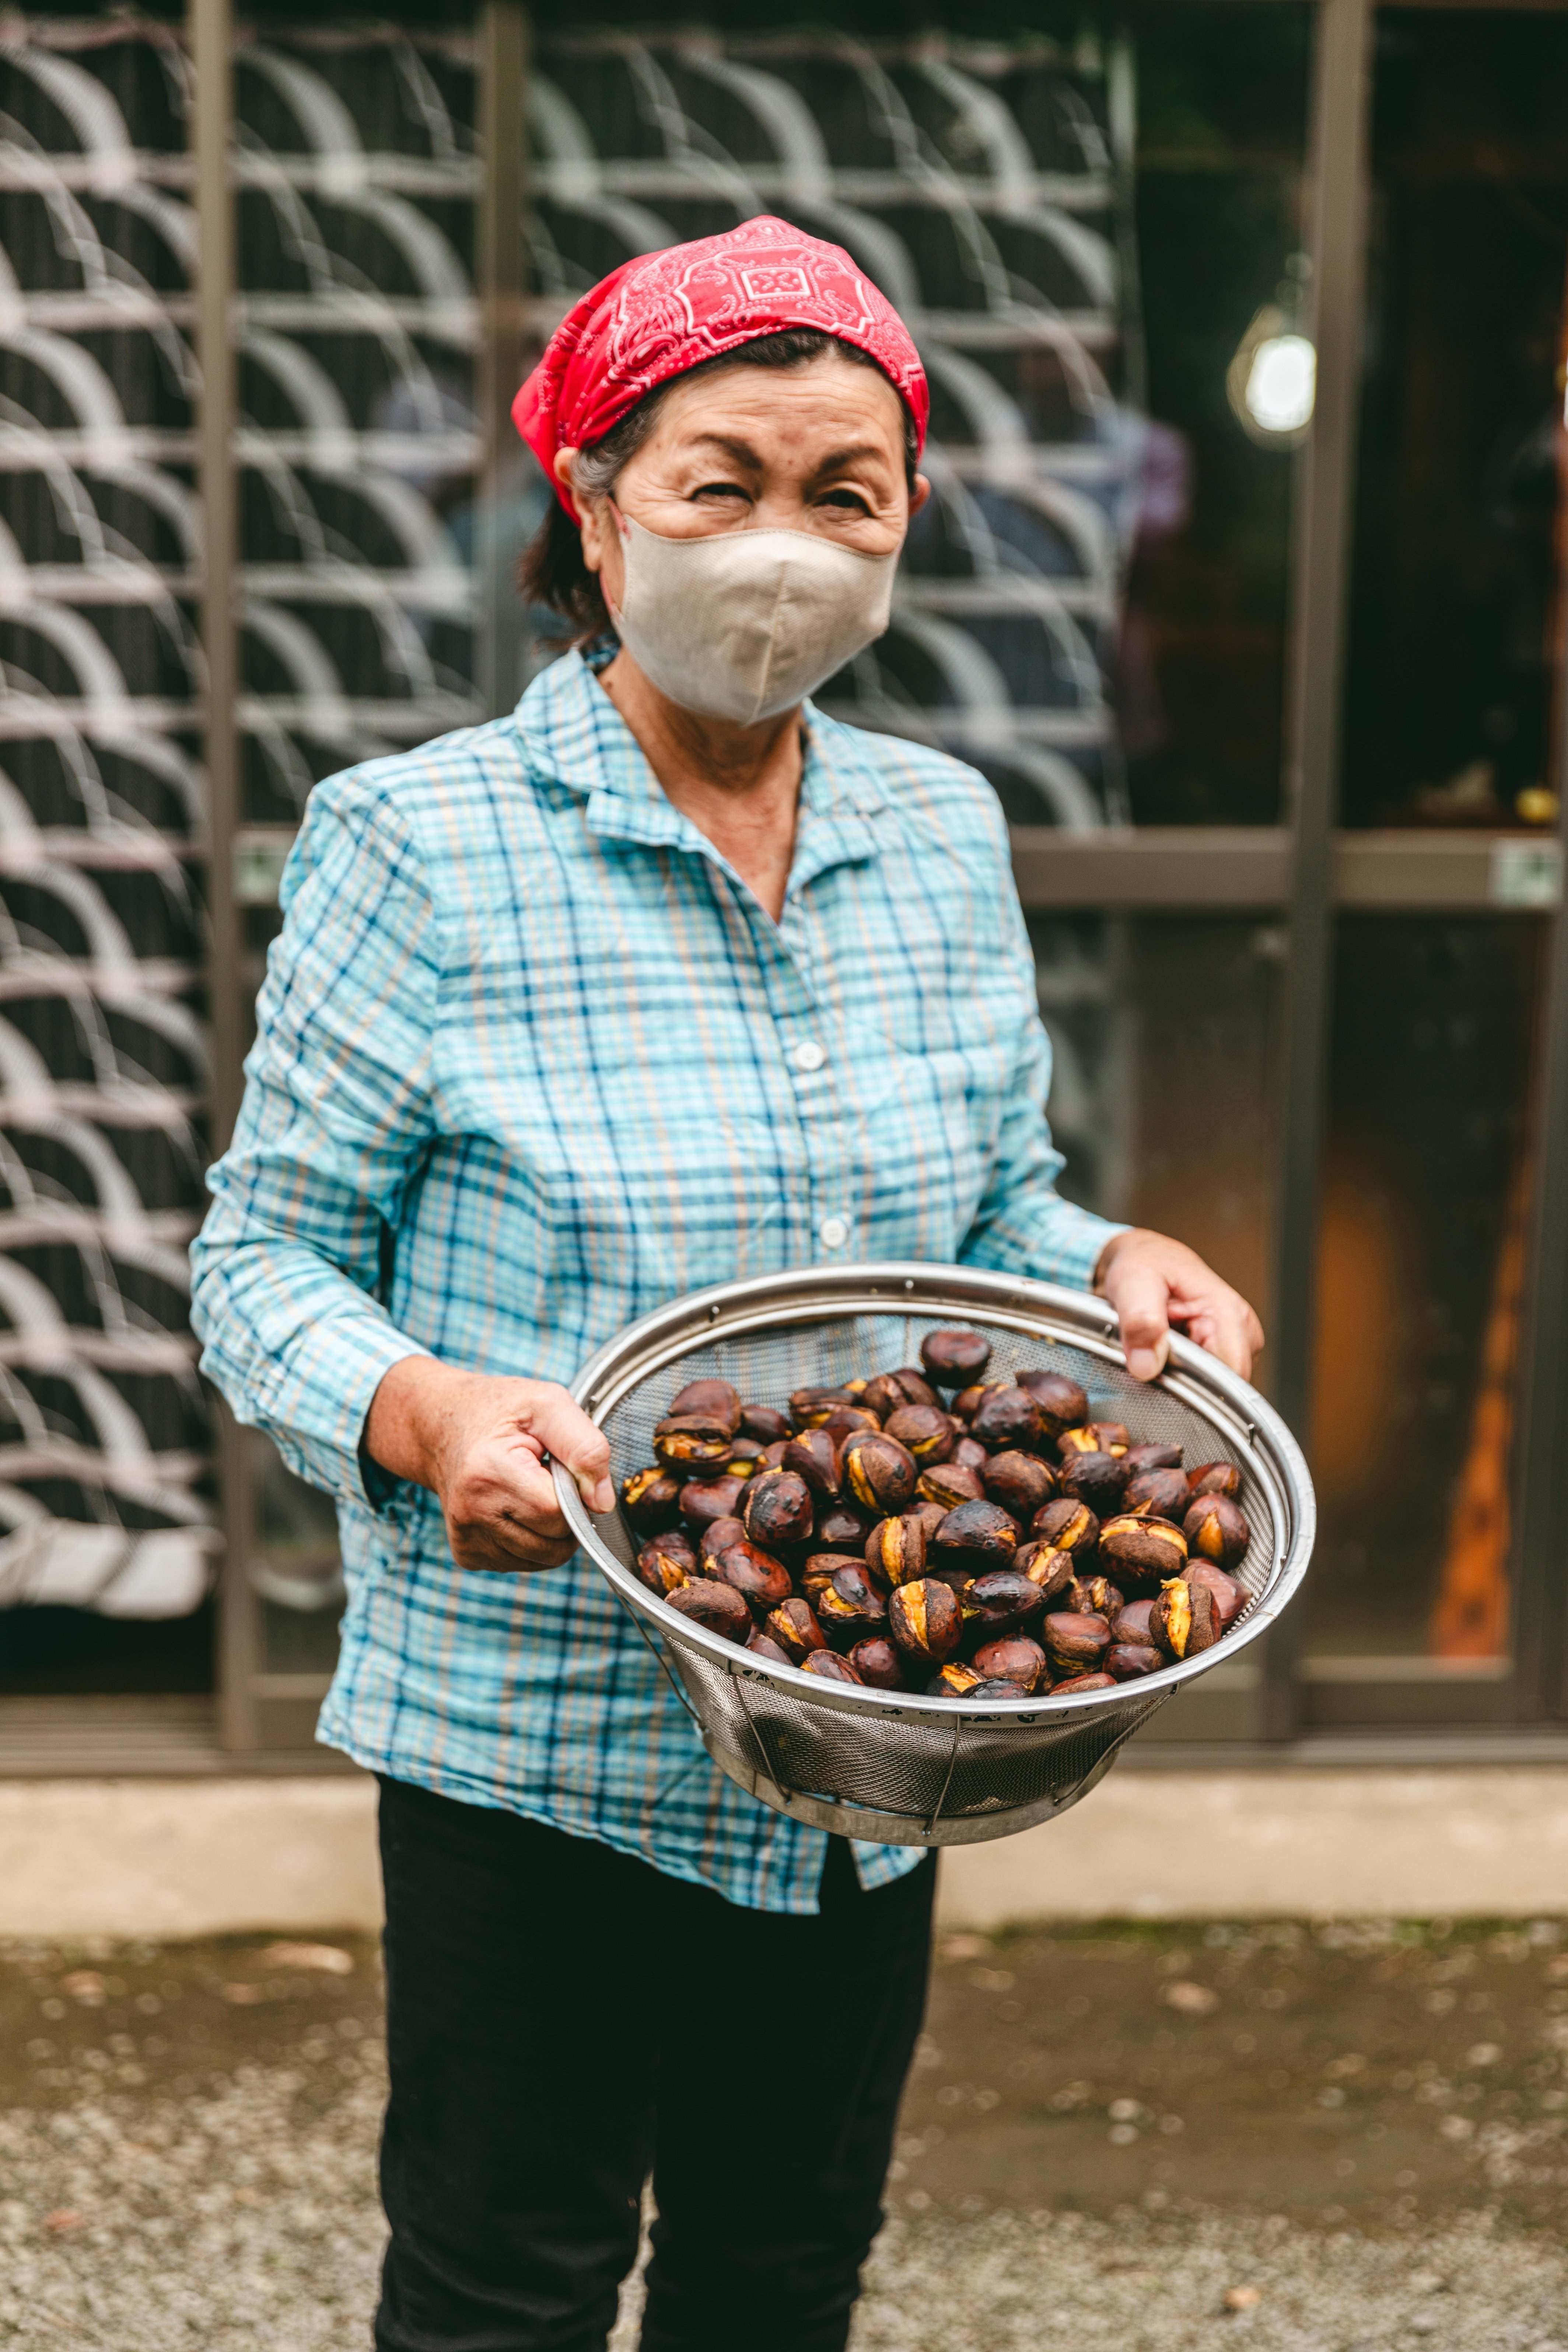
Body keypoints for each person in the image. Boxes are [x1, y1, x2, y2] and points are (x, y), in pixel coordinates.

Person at [190, 216, 1263, 2352]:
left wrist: (1111, 1254)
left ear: (909, 523)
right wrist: (421, 1413)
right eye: (718, 487)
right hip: (537, 1734)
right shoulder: (421, 840)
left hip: (872, 1732)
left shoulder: (939, 830)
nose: (782, 549)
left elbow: (987, 1219)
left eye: (841, 497)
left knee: (783, 2273)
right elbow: (261, 1255)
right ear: (591, 506)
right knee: (508, 2281)